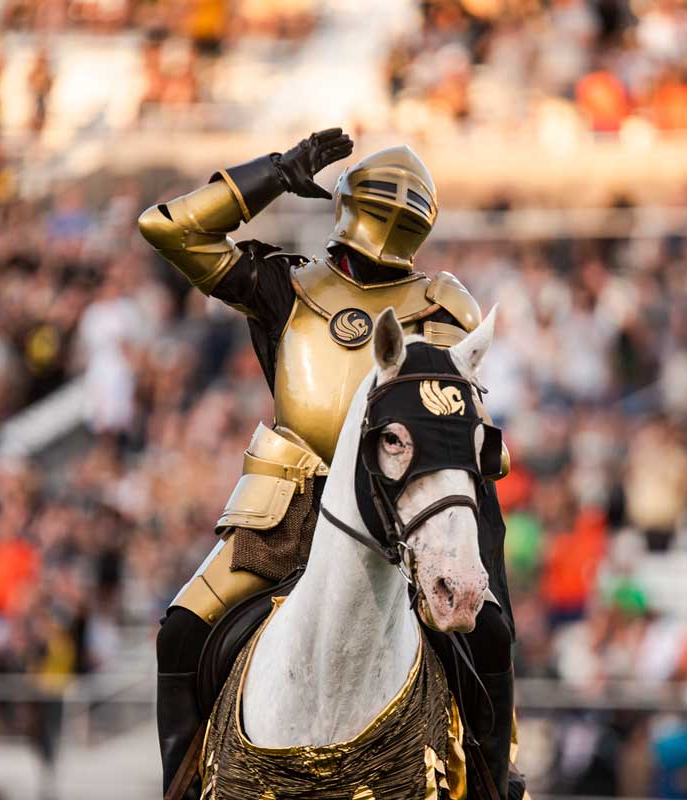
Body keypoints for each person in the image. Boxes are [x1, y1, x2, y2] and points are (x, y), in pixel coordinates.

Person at [139, 129, 522, 798]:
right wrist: (273, 175)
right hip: (284, 506)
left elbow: (461, 419)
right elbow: (169, 228)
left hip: (401, 504)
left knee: (487, 634)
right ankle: (182, 784)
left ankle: (494, 780)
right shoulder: (288, 288)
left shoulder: (444, 307)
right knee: (181, 631)